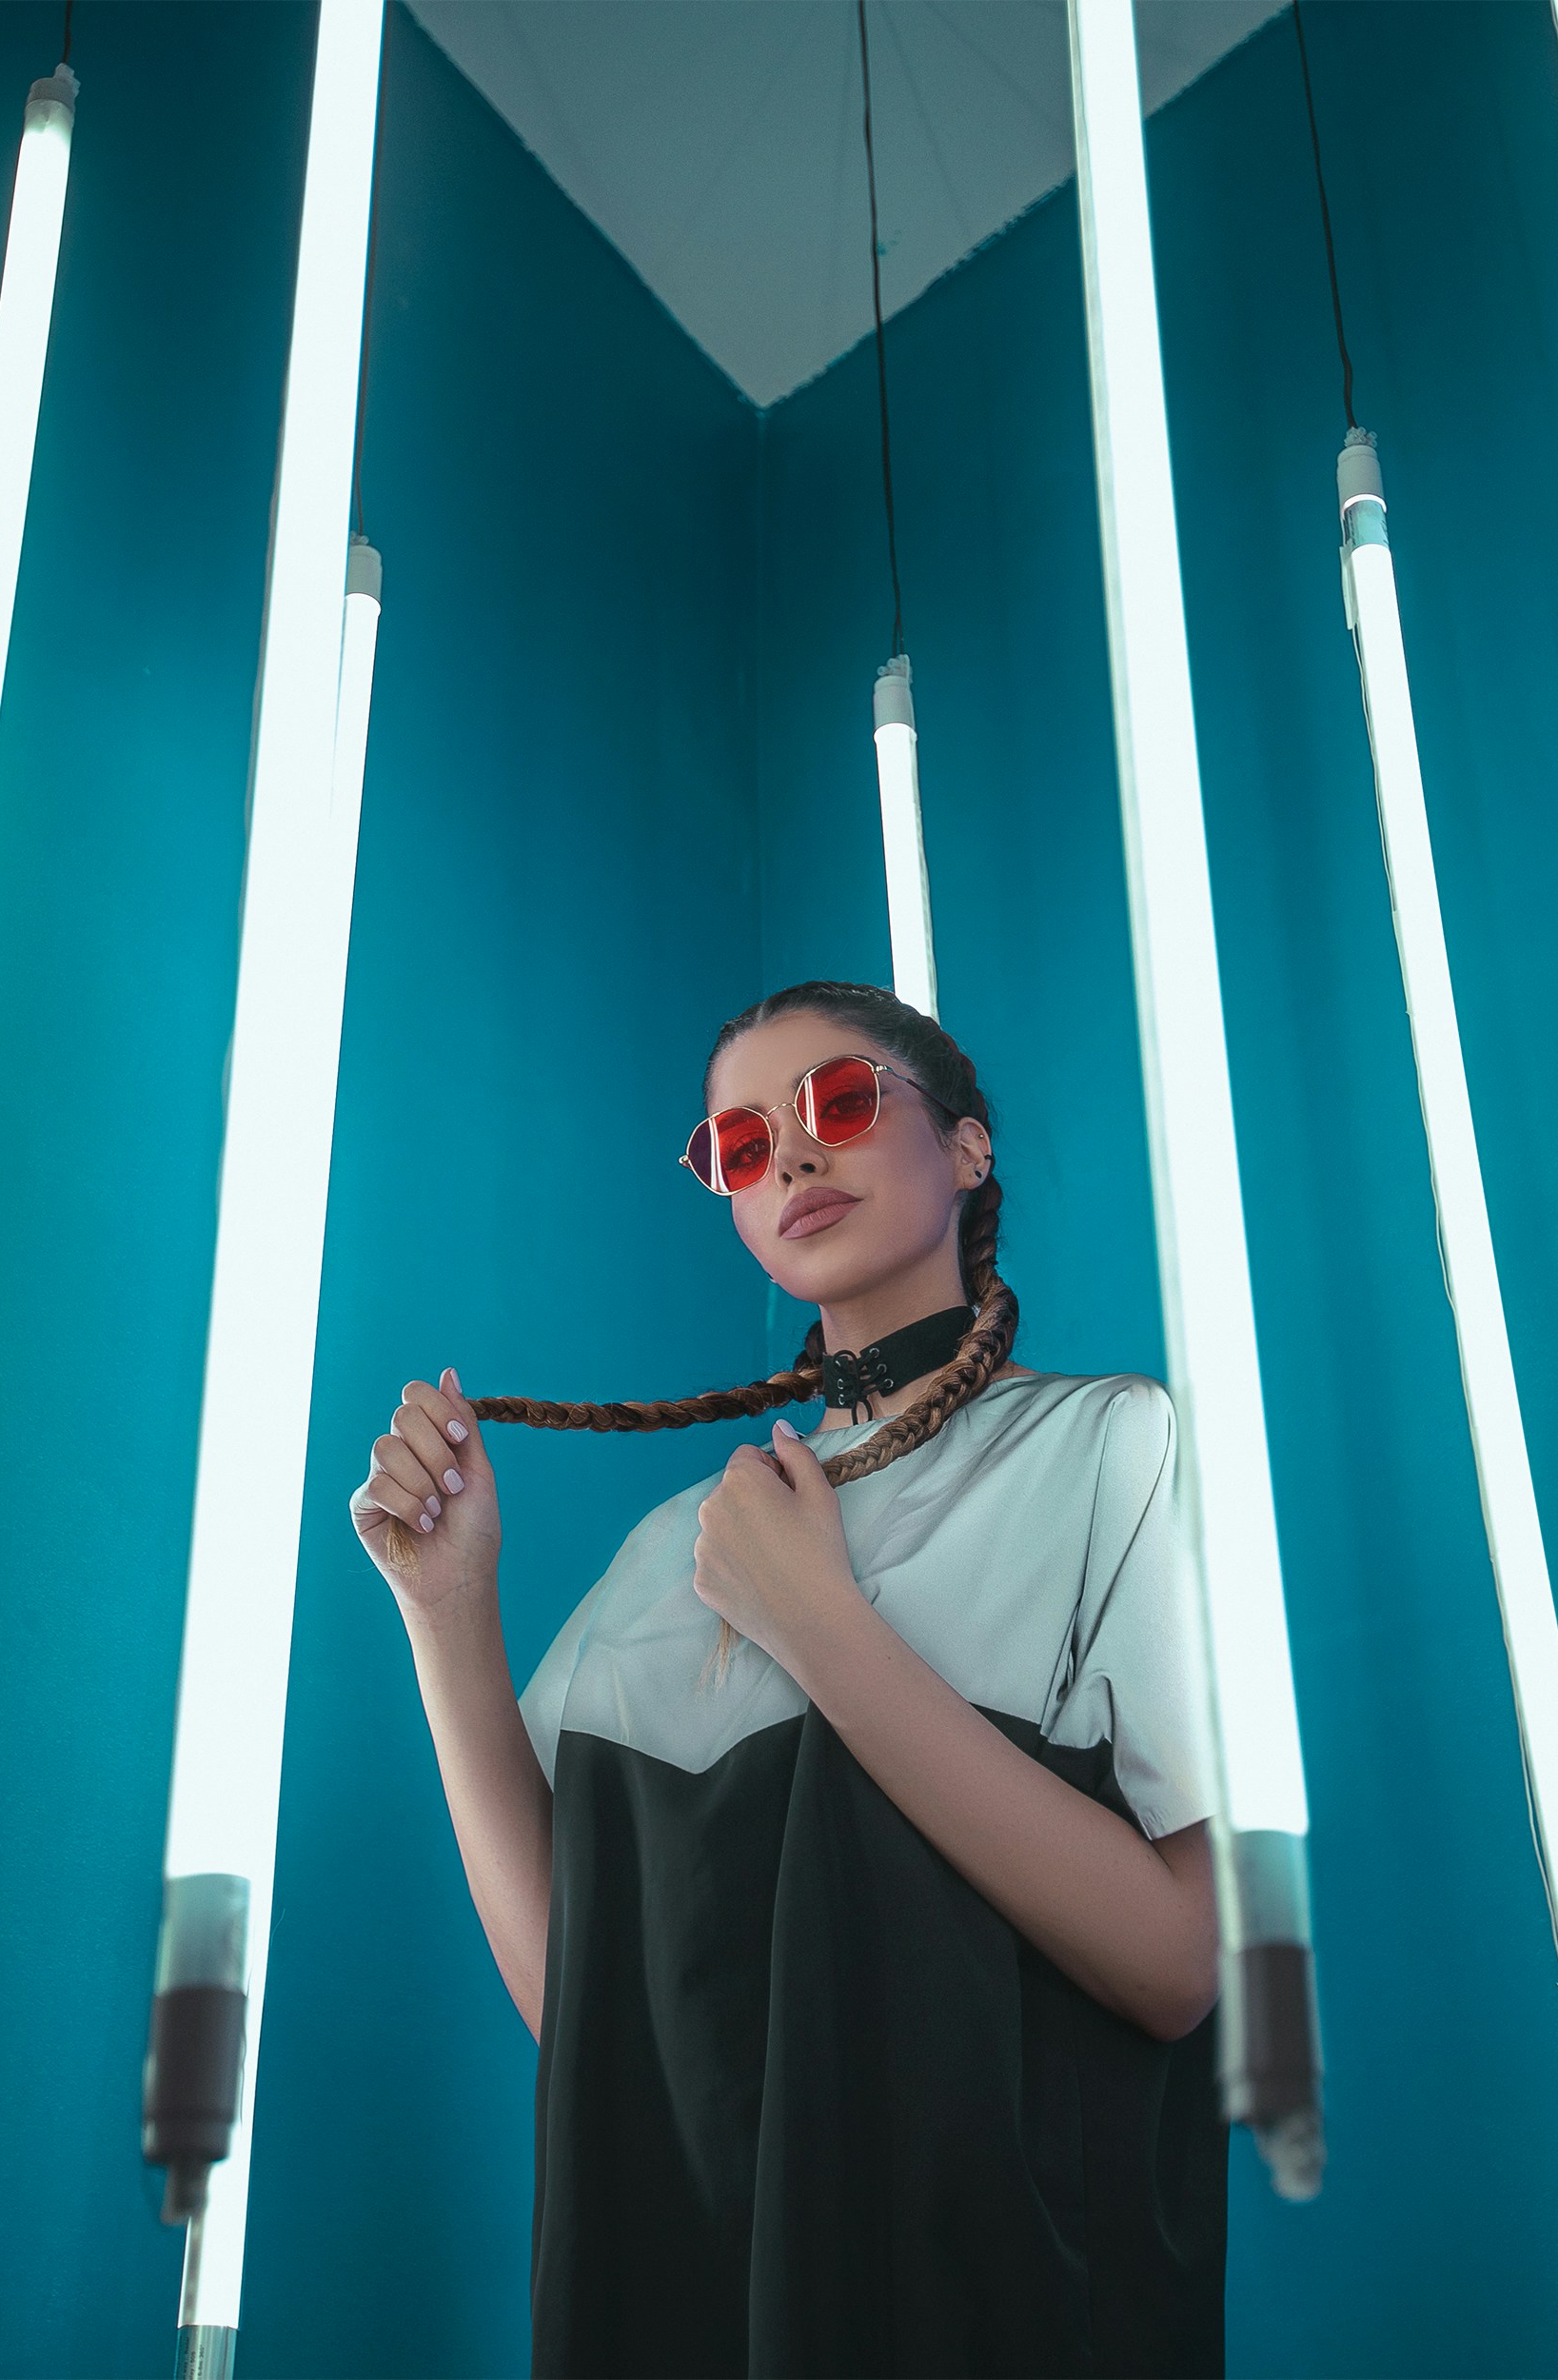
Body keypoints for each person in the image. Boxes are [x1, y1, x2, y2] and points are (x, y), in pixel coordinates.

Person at [351, 981, 1230, 2378]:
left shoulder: (1107, 1448)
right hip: (683, 2306)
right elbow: (584, 2010)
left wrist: (820, 1624)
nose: (796, 1157)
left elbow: (1181, 1965)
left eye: (838, 1101)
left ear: (968, 1148)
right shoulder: (678, 1549)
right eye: (744, 1145)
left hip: (995, 2313)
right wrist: (449, 1612)